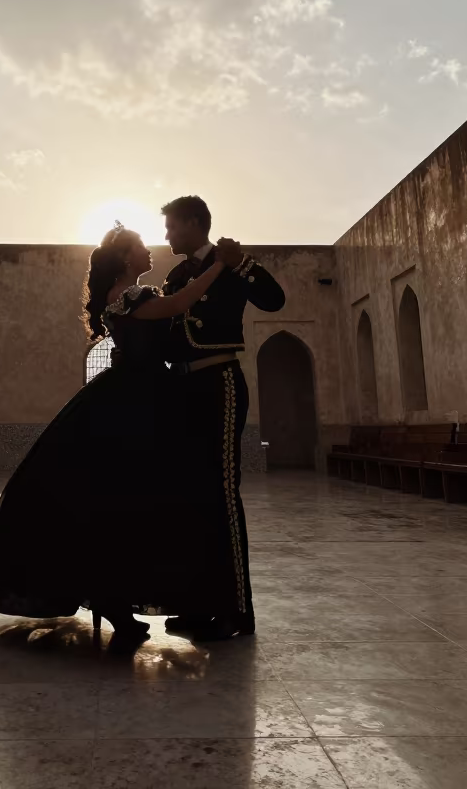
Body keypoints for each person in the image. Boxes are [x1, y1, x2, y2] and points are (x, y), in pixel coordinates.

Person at [0, 222, 243, 642]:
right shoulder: (131, 296)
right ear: (126, 257)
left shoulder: (124, 296)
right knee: (123, 504)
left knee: (120, 505)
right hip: (136, 402)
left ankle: (119, 606)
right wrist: (220, 265)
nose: (148, 251)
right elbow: (181, 303)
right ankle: (119, 607)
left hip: (134, 397)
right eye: (140, 246)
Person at [161, 195, 286, 641]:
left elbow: (274, 300)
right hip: (185, 388)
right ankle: (199, 606)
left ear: (194, 223)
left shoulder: (230, 262)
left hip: (220, 383)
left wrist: (244, 262)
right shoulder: (177, 276)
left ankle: (236, 610)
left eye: (172, 226)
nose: (167, 235)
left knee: (222, 494)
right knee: (192, 496)